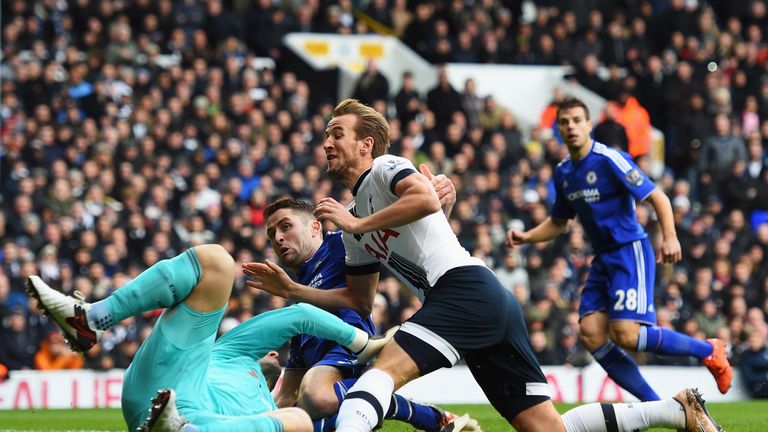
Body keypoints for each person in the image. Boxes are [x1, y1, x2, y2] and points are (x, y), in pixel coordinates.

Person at [244, 98, 722, 432]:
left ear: (366, 144)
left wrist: (354, 222)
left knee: (377, 379)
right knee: (547, 427)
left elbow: (425, 198)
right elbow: (357, 299)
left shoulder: (386, 169)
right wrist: (293, 291)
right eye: (327, 134)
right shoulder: (356, 217)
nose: (326, 142)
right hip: (481, 303)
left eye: (337, 133)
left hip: (464, 290)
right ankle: (676, 412)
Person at [24, 244, 395, 432]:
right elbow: (298, 316)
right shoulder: (234, 350)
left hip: (193, 418)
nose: (274, 354)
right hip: (164, 387)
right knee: (217, 262)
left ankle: (187, 430)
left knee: (298, 420)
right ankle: (92, 318)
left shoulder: (272, 403)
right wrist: (363, 343)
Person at [506, 96, 732, 402]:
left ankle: (710, 351)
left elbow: (658, 197)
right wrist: (527, 237)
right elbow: (559, 221)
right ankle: (655, 405)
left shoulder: (609, 159)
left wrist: (669, 236)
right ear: (557, 128)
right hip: (603, 259)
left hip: (629, 250)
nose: (570, 126)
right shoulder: (563, 172)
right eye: (564, 121)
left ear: (588, 125)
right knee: (591, 333)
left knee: (626, 335)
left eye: (576, 120)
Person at [254, 198, 469, 432]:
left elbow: (395, 233)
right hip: (320, 369)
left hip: (352, 346)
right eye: (272, 233)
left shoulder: (340, 243)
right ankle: (431, 418)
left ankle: (392, 400)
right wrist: (258, 421)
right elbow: (287, 394)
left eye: (286, 226)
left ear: (315, 227)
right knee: (292, 418)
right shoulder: (298, 292)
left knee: (316, 396)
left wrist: (440, 211)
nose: (278, 238)